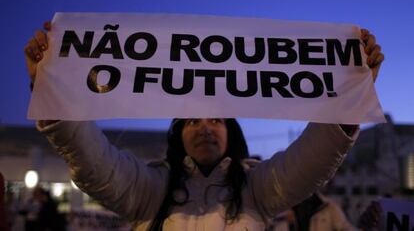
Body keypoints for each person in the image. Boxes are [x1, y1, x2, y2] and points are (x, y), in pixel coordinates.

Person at [24, 21, 384, 230]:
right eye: (192, 121)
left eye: (216, 119)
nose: (205, 127)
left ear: (232, 132)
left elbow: (308, 163)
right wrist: (54, 94)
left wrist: (347, 102)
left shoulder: (258, 188)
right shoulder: (150, 188)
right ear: (178, 134)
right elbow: (96, 165)